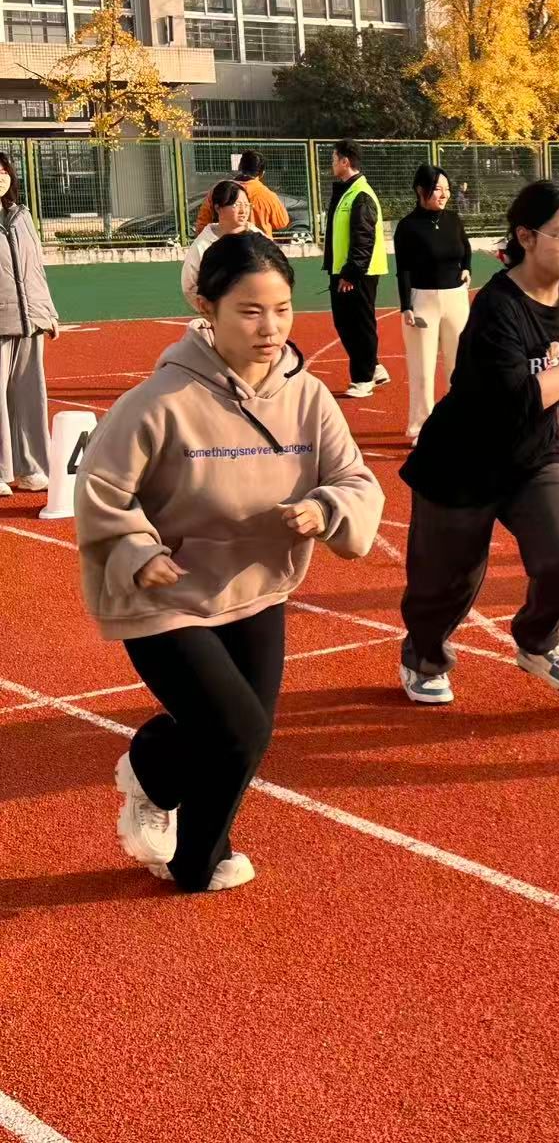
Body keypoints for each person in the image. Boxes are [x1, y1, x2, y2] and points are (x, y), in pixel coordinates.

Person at [73, 232, 382, 893]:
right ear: (206, 308)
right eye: (250, 311)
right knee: (237, 730)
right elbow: (100, 490)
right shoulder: (158, 402)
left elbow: (355, 480)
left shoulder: (309, 398)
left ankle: (159, 779)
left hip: (256, 589)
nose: (270, 328)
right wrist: (137, 550)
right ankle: (193, 853)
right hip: (167, 597)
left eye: (282, 309)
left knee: (243, 733)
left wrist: (325, 508)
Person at [396, 181, 559, 705]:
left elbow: (554, 361)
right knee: (446, 586)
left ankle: (539, 640)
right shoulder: (497, 307)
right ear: (526, 237)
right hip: (461, 462)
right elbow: (520, 398)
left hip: (532, 458)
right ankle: (424, 657)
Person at [393, 164, 472, 443]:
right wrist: (406, 306)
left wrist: (467, 268)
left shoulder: (453, 220)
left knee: (459, 367)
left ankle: (459, 422)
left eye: (447, 189)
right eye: (437, 189)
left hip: (456, 299)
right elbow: (403, 269)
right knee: (422, 370)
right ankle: (421, 427)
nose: (444, 194)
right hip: (422, 301)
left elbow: (466, 248)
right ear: (420, 190)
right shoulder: (407, 227)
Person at [0, 149, 58, 498]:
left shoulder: (22, 217)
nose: (0, 178)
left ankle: (32, 468)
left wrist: (48, 311)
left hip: (29, 319)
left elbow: (36, 268)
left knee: (30, 397)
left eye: (3, 172)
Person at [322, 139, 390, 399]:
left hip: (358, 273)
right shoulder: (348, 191)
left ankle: (363, 379)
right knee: (346, 323)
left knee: (358, 325)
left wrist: (351, 273)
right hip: (345, 270)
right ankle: (374, 367)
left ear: (345, 161)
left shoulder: (361, 194)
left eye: (333, 159)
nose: (331, 164)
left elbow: (364, 237)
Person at [181, 180, 255, 310]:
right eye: (237, 205)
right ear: (217, 208)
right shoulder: (202, 245)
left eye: (246, 204)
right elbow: (189, 287)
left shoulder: (258, 237)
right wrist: (213, 312)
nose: (243, 210)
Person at [194, 149, 290, 239]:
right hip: (260, 248)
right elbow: (282, 223)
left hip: (224, 246)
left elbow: (202, 223)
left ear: (239, 167)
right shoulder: (268, 196)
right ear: (262, 173)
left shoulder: (219, 190)